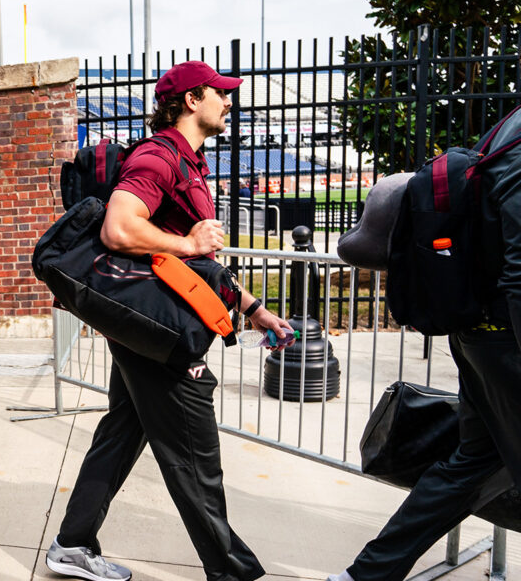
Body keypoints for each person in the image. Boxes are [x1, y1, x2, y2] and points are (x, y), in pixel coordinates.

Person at [46, 61, 293, 581]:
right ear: (189, 100)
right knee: (195, 462)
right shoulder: (159, 158)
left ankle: (71, 545)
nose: (229, 102)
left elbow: (197, 268)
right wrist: (188, 241)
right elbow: (118, 228)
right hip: (162, 334)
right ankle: (234, 574)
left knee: (121, 432)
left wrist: (252, 309)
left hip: (151, 326)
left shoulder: (189, 163)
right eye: (220, 93)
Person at [327, 108, 521, 581]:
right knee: (471, 463)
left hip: (478, 333)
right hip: (505, 339)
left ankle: (366, 576)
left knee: (471, 463)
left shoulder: (510, 127)